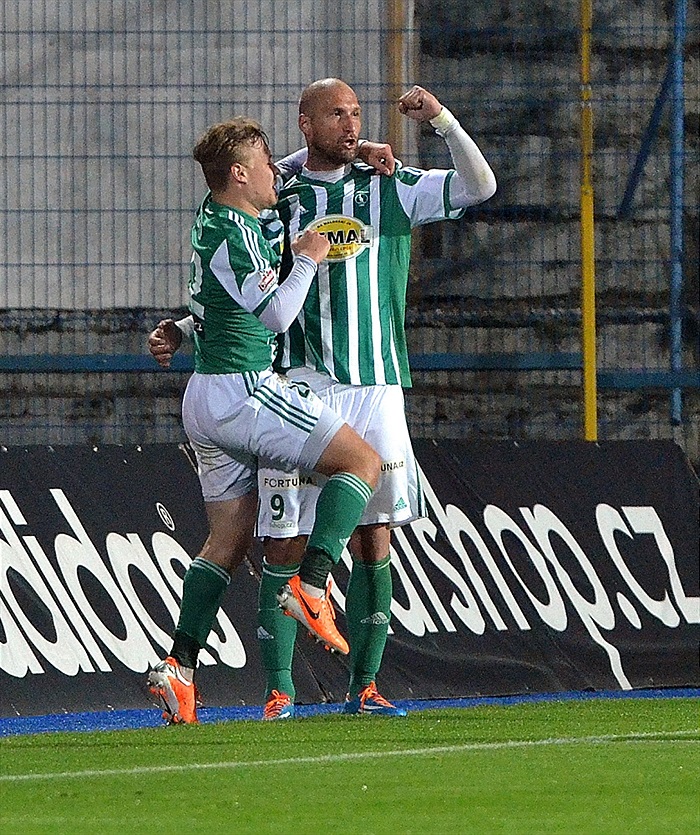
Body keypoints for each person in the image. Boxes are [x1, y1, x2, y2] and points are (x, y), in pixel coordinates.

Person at [151, 81, 496, 720]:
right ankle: (280, 688)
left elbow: (481, 188)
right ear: (305, 123)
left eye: (357, 113)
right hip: (295, 381)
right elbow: (257, 287)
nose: (351, 121)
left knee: (374, 540)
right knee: (283, 537)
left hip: (376, 383)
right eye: (337, 113)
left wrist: (442, 120)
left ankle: (360, 685)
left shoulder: (385, 184)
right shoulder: (279, 196)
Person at [147, 116, 382, 725]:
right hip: (243, 390)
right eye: (265, 158)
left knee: (227, 539)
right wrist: (307, 256)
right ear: (238, 174)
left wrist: (181, 326)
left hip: (205, 394)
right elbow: (277, 316)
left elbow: (218, 305)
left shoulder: (219, 217)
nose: (276, 167)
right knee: (362, 462)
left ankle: (180, 668)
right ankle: (311, 582)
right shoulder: (237, 233)